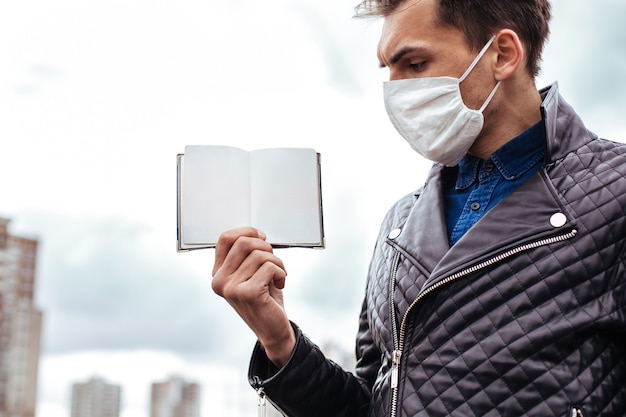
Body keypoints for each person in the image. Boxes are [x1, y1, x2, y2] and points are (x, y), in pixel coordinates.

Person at [211, 0, 626, 415]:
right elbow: (373, 403)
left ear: (503, 54)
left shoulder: (616, 189)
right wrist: (280, 342)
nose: (394, 92)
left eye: (413, 64)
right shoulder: (399, 221)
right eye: (387, 72)